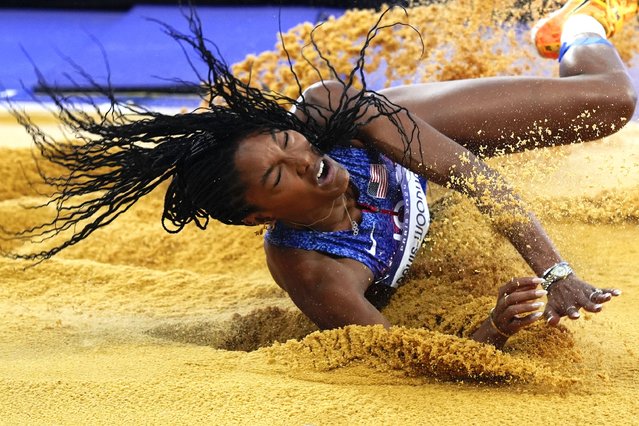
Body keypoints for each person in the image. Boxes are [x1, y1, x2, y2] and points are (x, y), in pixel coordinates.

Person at [6, 1, 637, 349]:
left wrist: (555, 272)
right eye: (279, 178)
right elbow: (414, 359)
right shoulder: (312, 270)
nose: (303, 158)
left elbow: (467, 171)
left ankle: (576, 25)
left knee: (610, 102)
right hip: (426, 209)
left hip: (422, 137)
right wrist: (497, 324)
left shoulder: (329, 113)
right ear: (260, 215)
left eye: (285, 142)